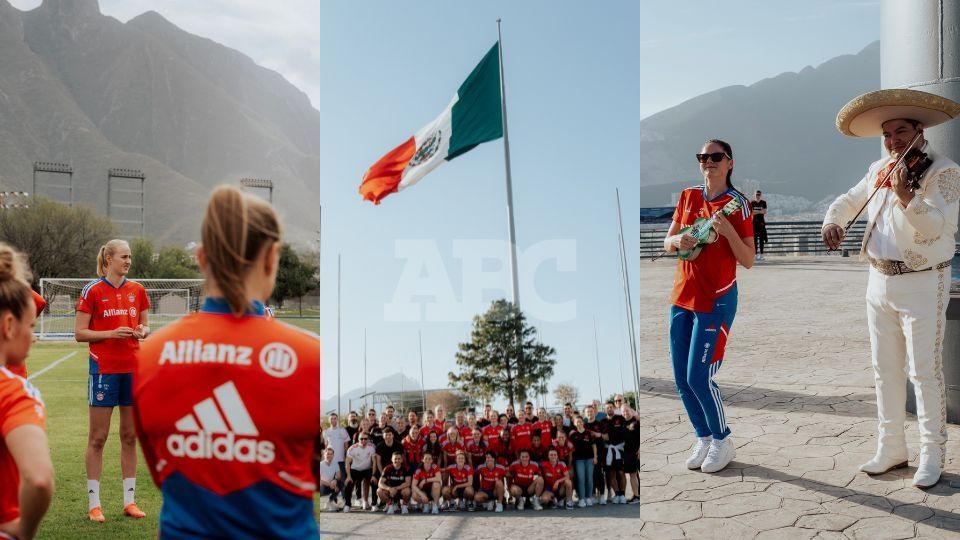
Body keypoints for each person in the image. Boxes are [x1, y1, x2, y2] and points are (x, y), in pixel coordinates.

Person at [132, 185, 321, 538]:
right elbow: (316, 474)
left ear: (202, 259)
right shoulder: (311, 358)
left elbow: (165, 475)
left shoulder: (149, 355)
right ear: (270, 258)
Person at [823, 89, 960, 487]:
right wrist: (833, 221)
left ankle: (932, 453)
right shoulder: (879, 168)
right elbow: (849, 201)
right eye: (887, 134)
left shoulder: (945, 172)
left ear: (920, 131)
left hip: (923, 280)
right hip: (878, 280)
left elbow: (937, 226)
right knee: (884, 370)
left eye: (901, 131)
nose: (894, 140)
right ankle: (892, 447)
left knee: (924, 372)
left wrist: (905, 195)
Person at [662, 139, 754, 475]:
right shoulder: (688, 196)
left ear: (730, 163)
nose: (708, 162)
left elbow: (749, 260)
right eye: (703, 157)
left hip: (716, 299)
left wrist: (728, 232)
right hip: (682, 296)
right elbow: (667, 241)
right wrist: (677, 241)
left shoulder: (738, 205)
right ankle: (703, 437)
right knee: (681, 380)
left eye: (715, 157)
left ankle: (722, 439)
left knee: (699, 377)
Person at [75, 239, 151, 522]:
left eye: (130, 257)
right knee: (98, 438)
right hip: (104, 371)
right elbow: (80, 333)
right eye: (123, 256)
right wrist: (109, 334)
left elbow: (144, 324)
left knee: (130, 437)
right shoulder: (92, 291)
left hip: (133, 369)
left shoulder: (138, 290)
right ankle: (94, 505)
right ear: (108, 259)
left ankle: (129, 502)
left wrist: (141, 331)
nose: (128, 261)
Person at [0, 245, 54, 540]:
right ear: (9, 325)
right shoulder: (13, 393)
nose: (33, 337)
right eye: (30, 326)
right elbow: (39, 479)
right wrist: (25, 531)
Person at [568, 417, 598, 507]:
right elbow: (570, 449)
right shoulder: (573, 435)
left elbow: (594, 445)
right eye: (577, 422)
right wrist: (570, 461)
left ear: (583, 422)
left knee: (589, 478)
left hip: (589, 459)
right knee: (581, 479)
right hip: (578, 460)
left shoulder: (589, 433)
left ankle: (588, 498)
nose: (579, 423)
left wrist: (595, 457)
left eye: (580, 422)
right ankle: (581, 499)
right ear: (574, 424)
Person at [344, 433, 376, 511]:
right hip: (355, 469)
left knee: (374, 481)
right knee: (348, 483)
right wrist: (348, 476)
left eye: (365, 439)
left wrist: (373, 475)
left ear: (368, 440)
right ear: (358, 439)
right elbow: (347, 462)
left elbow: (374, 462)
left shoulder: (372, 448)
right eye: (361, 439)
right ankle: (347, 504)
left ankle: (374, 504)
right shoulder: (352, 448)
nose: (363, 440)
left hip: (367, 469)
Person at [324, 413, 351, 480]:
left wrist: (345, 457)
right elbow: (326, 446)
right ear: (329, 420)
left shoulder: (343, 430)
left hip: (341, 461)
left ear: (337, 420)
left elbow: (346, 445)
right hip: (330, 461)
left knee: (341, 481)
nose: (333, 420)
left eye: (335, 418)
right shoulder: (326, 432)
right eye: (331, 419)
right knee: (330, 480)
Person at [318, 447, 343, 512]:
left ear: (333, 455)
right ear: (324, 454)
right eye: (327, 454)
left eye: (331, 454)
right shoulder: (320, 465)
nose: (329, 455)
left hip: (331, 485)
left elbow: (339, 476)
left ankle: (330, 502)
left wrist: (335, 480)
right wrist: (330, 484)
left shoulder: (335, 464)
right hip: (321, 487)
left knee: (340, 483)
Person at [751, 190, 768, 260]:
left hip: (761, 223)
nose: (758, 196)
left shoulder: (763, 202)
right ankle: (755, 254)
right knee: (754, 240)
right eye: (756, 194)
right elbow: (752, 213)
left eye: (759, 194)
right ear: (754, 195)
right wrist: (760, 211)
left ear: (760, 195)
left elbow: (764, 212)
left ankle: (761, 254)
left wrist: (756, 211)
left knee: (761, 239)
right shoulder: (752, 202)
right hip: (754, 223)